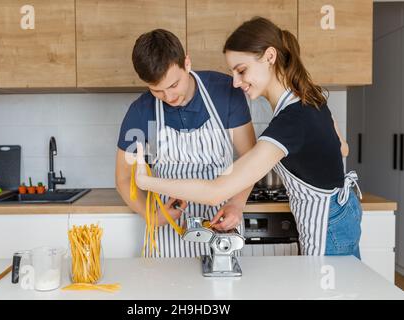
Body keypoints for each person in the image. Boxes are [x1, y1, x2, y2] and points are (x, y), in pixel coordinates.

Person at [135, 17, 363, 258]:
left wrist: (146, 182)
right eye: (232, 72)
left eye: (241, 70)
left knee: (327, 295)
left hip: (327, 226)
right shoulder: (309, 98)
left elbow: (215, 192)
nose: (235, 82)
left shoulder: (292, 120)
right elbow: (343, 148)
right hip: (342, 213)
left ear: (270, 57)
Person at [115, 29, 256, 258]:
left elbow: (250, 158)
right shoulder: (141, 111)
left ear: (186, 62)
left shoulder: (225, 93)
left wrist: (237, 204)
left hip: (220, 224)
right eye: (157, 90)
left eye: (173, 85)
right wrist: (151, 215)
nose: (169, 97)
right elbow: (123, 178)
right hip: (168, 232)